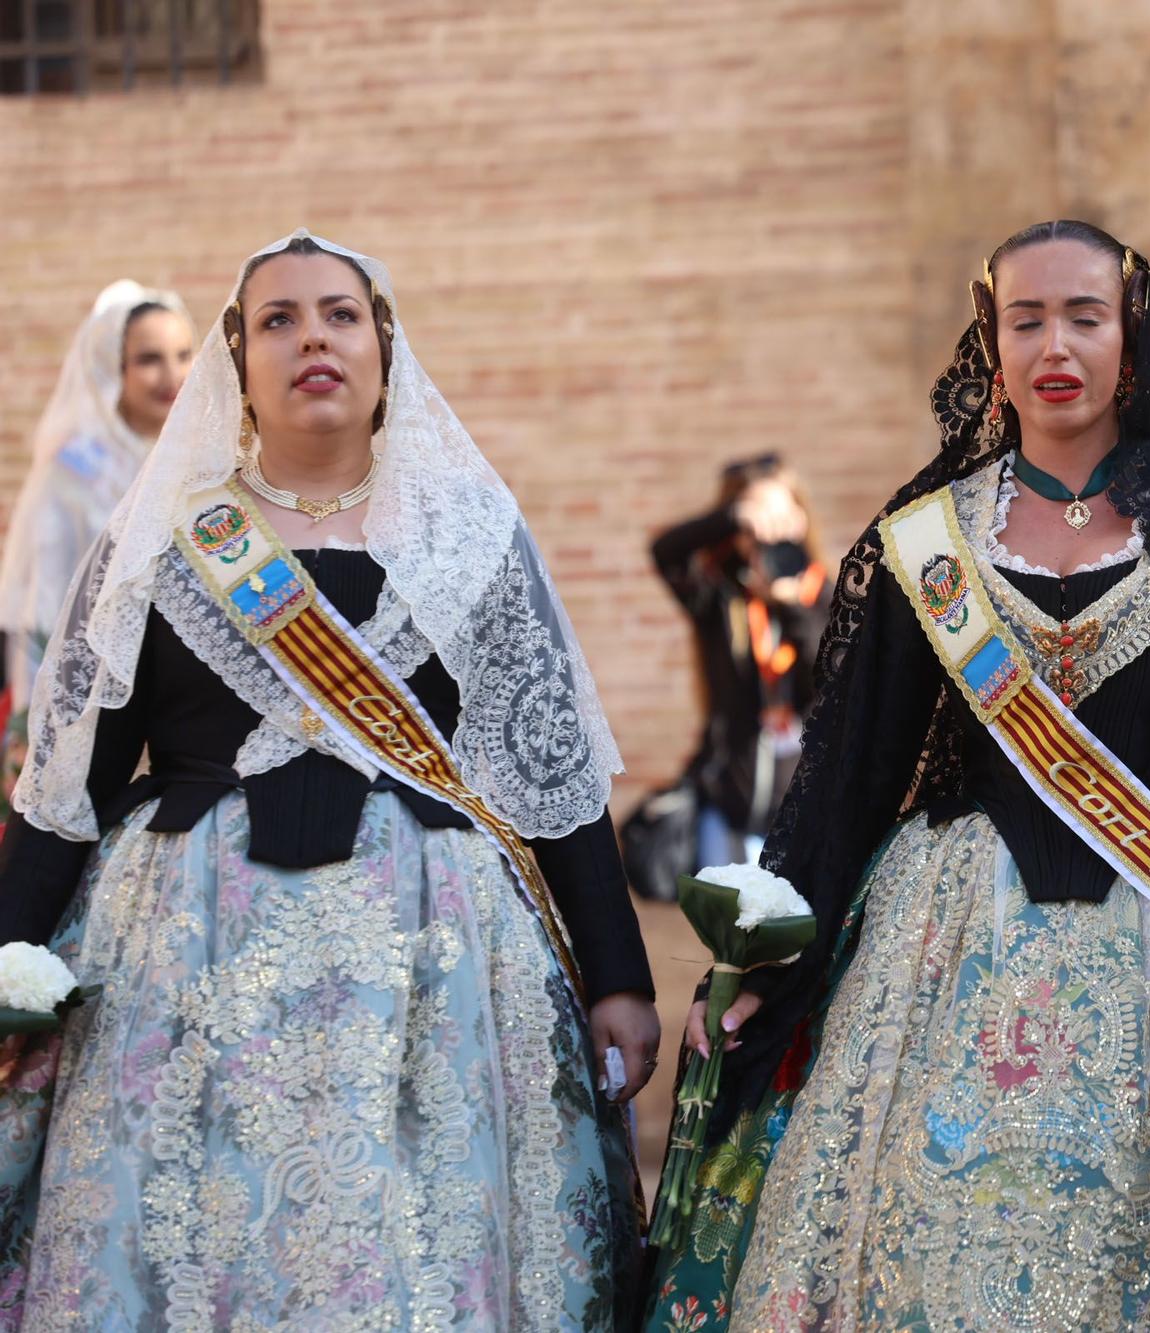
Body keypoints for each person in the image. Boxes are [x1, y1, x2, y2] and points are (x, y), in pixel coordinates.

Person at [645, 219, 1150, 1330]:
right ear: (991, 348)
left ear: (1128, 338)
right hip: (946, 947)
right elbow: (845, 781)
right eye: (1024, 318)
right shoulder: (923, 541)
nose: (1056, 343)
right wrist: (767, 961)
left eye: (1084, 316)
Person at [0, 231, 659, 1329]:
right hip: (185, 962)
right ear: (238, 366)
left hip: (431, 971)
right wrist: (9, 962)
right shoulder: (162, 540)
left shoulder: (468, 539)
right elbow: (67, 789)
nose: (313, 336)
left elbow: (554, 779)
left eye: (341, 315)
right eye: (279, 319)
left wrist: (619, 978)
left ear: (384, 351)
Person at [0, 282, 195, 791]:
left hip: (186, 721)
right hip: (95, 715)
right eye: (149, 359)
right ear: (114, 368)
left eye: (183, 354)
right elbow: (45, 616)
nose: (172, 376)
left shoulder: (197, 464)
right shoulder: (74, 474)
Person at [648, 456, 829, 874]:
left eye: (781, 514)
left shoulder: (830, 597)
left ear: (802, 517)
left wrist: (790, 607)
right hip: (729, 810)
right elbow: (665, 552)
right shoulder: (721, 599)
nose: (770, 532)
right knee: (734, 936)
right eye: (757, 523)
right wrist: (734, 515)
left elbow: (829, 679)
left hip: (808, 817)